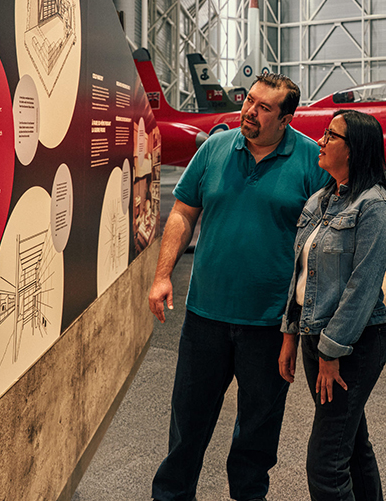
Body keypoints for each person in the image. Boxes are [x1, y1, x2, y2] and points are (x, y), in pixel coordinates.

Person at [148, 73, 325, 501]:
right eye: (249, 101)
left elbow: (321, 247)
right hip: (205, 316)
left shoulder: (309, 160)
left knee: (257, 437)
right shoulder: (215, 148)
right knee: (187, 428)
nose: (249, 111)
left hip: (270, 324)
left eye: (264, 108)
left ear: (285, 118)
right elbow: (183, 212)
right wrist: (162, 273)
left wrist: (303, 323)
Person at [278, 110, 386, 501]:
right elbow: (302, 273)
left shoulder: (375, 207)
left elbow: (362, 289)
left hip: (354, 345)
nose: (321, 140)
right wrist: (290, 334)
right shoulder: (321, 199)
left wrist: (331, 351)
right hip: (315, 338)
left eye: (331, 136)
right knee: (352, 443)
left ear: (353, 150)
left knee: (326, 462)